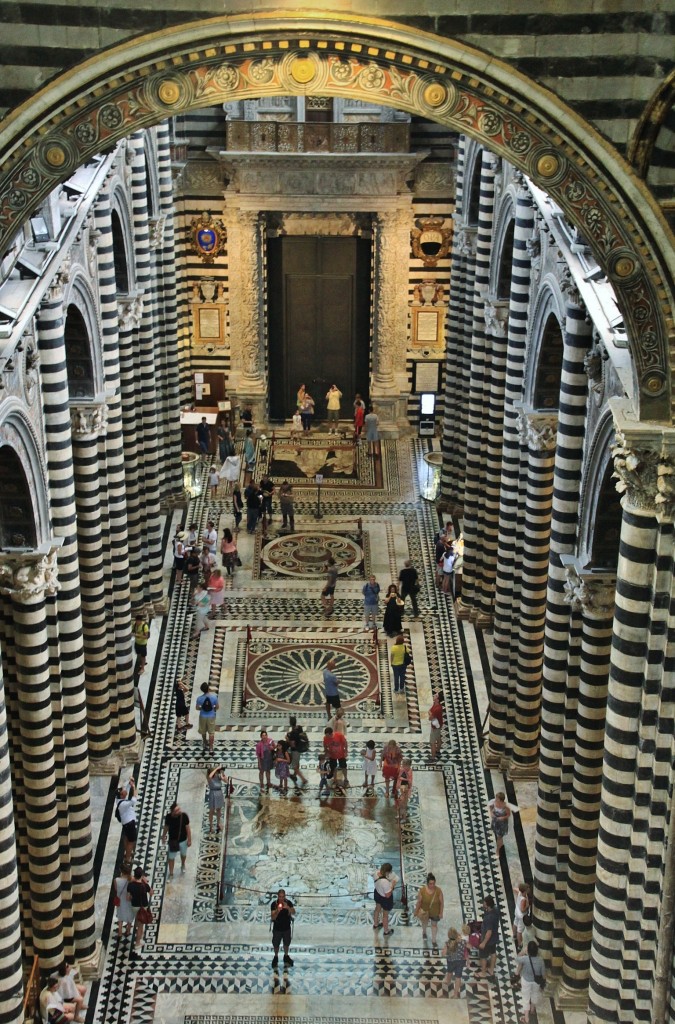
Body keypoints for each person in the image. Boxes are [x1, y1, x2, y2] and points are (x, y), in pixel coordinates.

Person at [514, 939, 546, 1022]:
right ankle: (532, 1009)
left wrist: (522, 952)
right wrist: (543, 982)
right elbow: (543, 973)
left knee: (526, 998)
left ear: (528, 950)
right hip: (536, 981)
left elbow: (517, 959)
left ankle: (526, 1018)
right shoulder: (541, 960)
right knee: (535, 994)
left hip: (526, 981)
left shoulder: (525, 959)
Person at [470, 895, 499, 982]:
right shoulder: (496, 910)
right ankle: (491, 970)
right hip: (494, 938)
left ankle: (483, 972)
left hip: (487, 940)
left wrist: (483, 943)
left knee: (483, 956)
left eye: (484, 903)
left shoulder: (489, 918)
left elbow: (489, 932)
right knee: (493, 953)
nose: (483, 904)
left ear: (488, 905)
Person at [161, 800, 191, 878]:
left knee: (183, 854)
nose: (179, 811)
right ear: (172, 812)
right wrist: (163, 836)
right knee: (171, 857)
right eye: (177, 810)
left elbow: (187, 828)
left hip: (183, 840)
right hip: (173, 841)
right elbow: (166, 827)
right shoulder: (168, 817)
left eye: (179, 809)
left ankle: (183, 864)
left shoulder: (184, 816)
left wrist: (189, 839)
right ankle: (171, 873)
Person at [414, 872, 444, 947]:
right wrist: (416, 911)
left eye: (433, 883)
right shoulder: (422, 890)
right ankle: (424, 932)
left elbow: (442, 902)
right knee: (424, 924)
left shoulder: (438, 891)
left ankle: (434, 940)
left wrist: (441, 913)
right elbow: (419, 902)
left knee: (434, 926)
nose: (432, 885)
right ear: (427, 883)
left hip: (435, 912)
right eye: (430, 884)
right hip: (425, 911)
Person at [127, 866, 153, 952]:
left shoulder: (130, 885)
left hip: (134, 906)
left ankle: (140, 934)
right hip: (143, 907)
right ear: (141, 875)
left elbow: (128, 898)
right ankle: (138, 943)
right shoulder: (144, 885)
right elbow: (151, 893)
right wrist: (146, 883)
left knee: (138, 921)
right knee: (140, 926)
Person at [270, 888, 295, 967]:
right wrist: (278, 910)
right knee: (276, 944)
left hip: (286, 927)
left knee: (286, 943)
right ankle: (276, 956)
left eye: (283, 897)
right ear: (278, 896)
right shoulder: (274, 904)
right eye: (280, 897)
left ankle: (286, 955)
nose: (281, 898)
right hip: (277, 928)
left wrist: (288, 908)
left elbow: (294, 912)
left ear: (285, 896)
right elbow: (273, 917)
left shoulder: (288, 903)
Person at [115, 776, 137, 864]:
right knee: (131, 841)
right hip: (129, 824)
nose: (125, 791)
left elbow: (126, 790)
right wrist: (134, 787)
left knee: (127, 838)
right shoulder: (123, 804)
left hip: (126, 824)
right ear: (121, 795)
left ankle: (128, 852)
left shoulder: (119, 799)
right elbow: (133, 801)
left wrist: (129, 783)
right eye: (123, 791)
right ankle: (128, 858)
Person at [442, 926, 468, 998]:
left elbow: (443, 954)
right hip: (461, 961)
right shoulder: (463, 941)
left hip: (451, 961)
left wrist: (444, 951)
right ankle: (456, 994)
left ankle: (448, 982)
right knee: (458, 977)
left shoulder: (447, 943)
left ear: (449, 936)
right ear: (457, 934)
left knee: (449, 972)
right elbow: (469, 947)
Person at [372, 862, 397, 936]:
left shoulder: (376, 873)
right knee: (385, 915)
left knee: (377, 909)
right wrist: (392, 885)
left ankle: (376, 924)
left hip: (377, 893)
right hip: (384, 898)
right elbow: (388, 895)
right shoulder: (385, 882)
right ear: (387, 872)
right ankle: (386, 931)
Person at [196, 682, 219, 754]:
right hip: (211, 716)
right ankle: (211, 748)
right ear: (208, 689)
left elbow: (197, 708)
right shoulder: (214, 697)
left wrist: (202, 708)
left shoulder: (199, 698)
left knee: (203, 731)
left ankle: (205, 743)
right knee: (211, 732)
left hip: (202, 716)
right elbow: (217, 707)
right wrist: (213, 708)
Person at [286, 715, 309, 788]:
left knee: (294, 766)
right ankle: (294, 775)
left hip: (295, 750)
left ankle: (303, 779)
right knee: (297, 762)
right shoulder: (299, 728)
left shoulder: (292, 734)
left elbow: (292, 744)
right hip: (300, 749)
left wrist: (287, 739)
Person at [323, 725, 349, 790]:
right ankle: (335, 780)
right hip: (332, 755)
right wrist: (327, 753)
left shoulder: (339, 735)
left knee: (343, 767)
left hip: (341, 754)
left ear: (331, 734)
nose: (326, 737)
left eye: (327, 735)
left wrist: (346, 751)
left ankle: (345, 778)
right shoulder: (325, 738)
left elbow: (345, 743)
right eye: (326, 735)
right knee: (333, 768)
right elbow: (325, 746)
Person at [113, 864, 134, 938]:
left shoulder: (116, 880)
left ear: (121, 871)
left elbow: (116, 889)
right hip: (128, 900)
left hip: (120, 900)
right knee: (130, 915)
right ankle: (128, 931)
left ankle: (119, 932)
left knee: (120, 916)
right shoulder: (130, 880)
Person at [206, 765, 227, 831]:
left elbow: (226, 781)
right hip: (213, 793)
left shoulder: (218, 776)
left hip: (219, 793)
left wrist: (223, 774)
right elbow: (210, 776)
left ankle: (218, 823)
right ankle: (211, 825)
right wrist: (216, 768)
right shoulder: (210, 778)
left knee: (219, 810)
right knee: (211, 811)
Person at [513, 882, 532, 952]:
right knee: (520, 930)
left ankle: (514, 935)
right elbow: (522, 909)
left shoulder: (520, 893)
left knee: (515, 923)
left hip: (516, 912)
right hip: (521, 915)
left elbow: (515, 889)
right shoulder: (523, 899)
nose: (529, 889)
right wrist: (527, 906)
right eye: (527, 888)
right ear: (525, 891)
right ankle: (520, 944)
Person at [428, 691, 443, 762]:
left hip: (435, 728)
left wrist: (430, 715)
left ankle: (433, 757)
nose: (434, 695)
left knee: (432, 743)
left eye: (436, 696)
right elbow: (429, 711)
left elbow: (430, 718)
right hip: (438, 726)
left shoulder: (437, 709)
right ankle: (438, 751)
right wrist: (430, 714)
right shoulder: (436, 705)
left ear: (438, 699)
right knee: (438, 739)